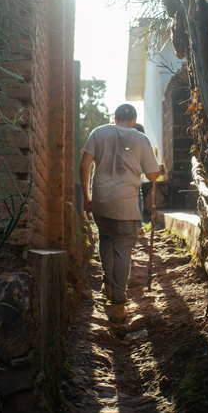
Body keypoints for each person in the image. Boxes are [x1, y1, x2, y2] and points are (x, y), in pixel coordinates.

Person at [80, 104, 162, 323]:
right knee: (123, 250)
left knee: (106, 239)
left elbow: (85, 165)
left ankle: (108, 284)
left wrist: (87, 197)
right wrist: (159, 169)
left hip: (101, 201)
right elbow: (153, 176)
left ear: (114, 118)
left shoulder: (98, 132)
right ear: (134, 120)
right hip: (126, 205)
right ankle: (118, 304)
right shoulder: (141, 139)